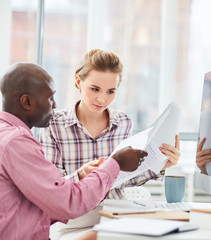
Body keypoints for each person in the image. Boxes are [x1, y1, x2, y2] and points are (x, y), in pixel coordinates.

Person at [39, 49, 181, 233]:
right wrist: (81, 175)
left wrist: (162, 164)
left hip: (116, 218)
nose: (102, 99)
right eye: (95, 89)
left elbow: (126, 177)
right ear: (78, 82)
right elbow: (51, 187)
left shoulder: (124, 122)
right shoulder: (54, 124)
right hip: (73, 224)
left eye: (111, 91)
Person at [0, 62, 147, 239]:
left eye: (110, 91)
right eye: (50, 99)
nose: (54, 106)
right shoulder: (17, 142)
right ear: (27, 102)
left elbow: (39, 200)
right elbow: (67, 202)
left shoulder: (6, 133)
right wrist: (115, 162)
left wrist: (80, 175)